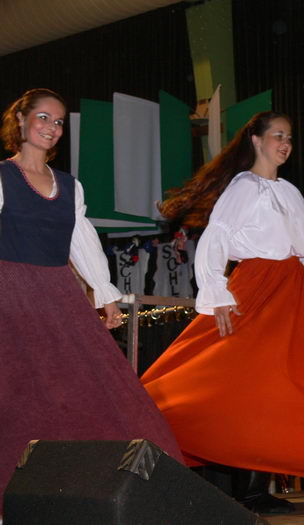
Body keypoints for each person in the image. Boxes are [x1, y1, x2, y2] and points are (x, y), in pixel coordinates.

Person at [141, 111, 304, 513]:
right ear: (256, 141)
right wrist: (217, 291)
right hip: (258, 287)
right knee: (249, 382)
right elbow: (218, 237)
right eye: (278, 135)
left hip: (294, 289)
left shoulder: (291, 193)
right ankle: (249, 489)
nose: (285, 143)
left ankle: (265, 481)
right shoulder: (244, 187)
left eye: (290, 138)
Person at [0, 89, 183, 510]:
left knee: (84, 388)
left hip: (57, 295)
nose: (51, 127)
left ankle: (80, 489)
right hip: (10, 295)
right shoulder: (4, 177)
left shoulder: (68, 186)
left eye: (59, 121)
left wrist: (107, 297)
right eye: (43, 117)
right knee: (16, 390)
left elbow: (82, 242)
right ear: (21, 121)